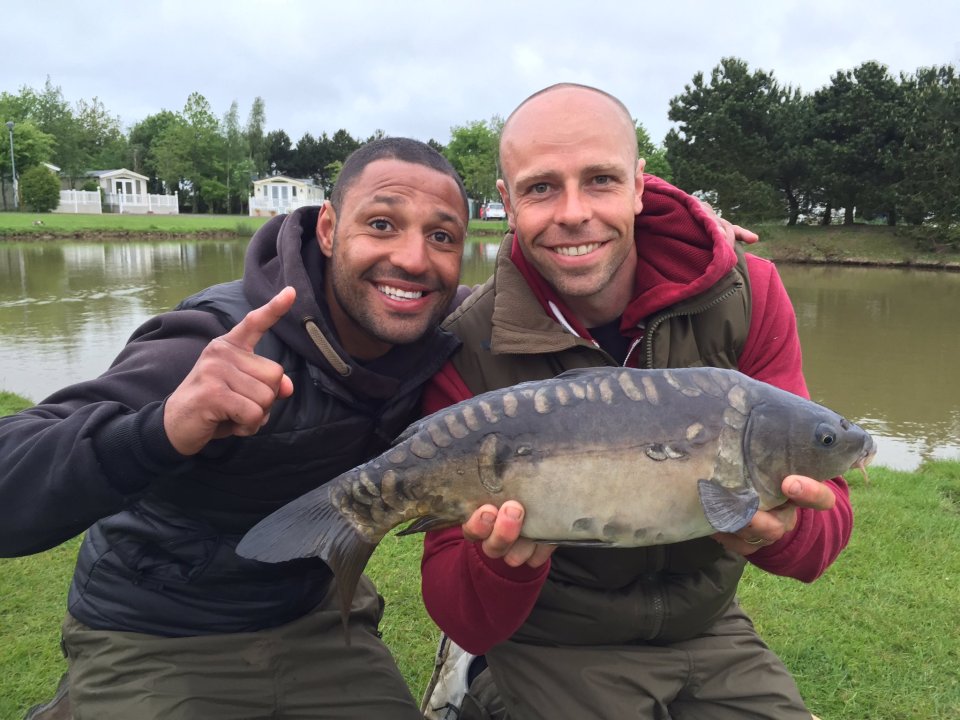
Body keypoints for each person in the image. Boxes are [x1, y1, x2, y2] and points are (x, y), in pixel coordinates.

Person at [419, 84, 852, 720]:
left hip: (707, 628)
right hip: (552, 637)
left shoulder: (748, 294)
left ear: (639, 185)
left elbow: (826, 519)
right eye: (541, 188)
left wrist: (783, 531)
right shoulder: (465, 343)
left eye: (600, 180)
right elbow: (457, 603)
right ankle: (469, 683)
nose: (573, 212)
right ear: (506, 203)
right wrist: (503, 568)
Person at [1, 137, 470, 719]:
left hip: (313, 617)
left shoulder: (442, 333)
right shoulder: (214, 339)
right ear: (327, 229)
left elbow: (543, 301)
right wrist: (162, 428)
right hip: (155, 627)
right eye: (381, 223)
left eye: (442, 236)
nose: (413, 258)